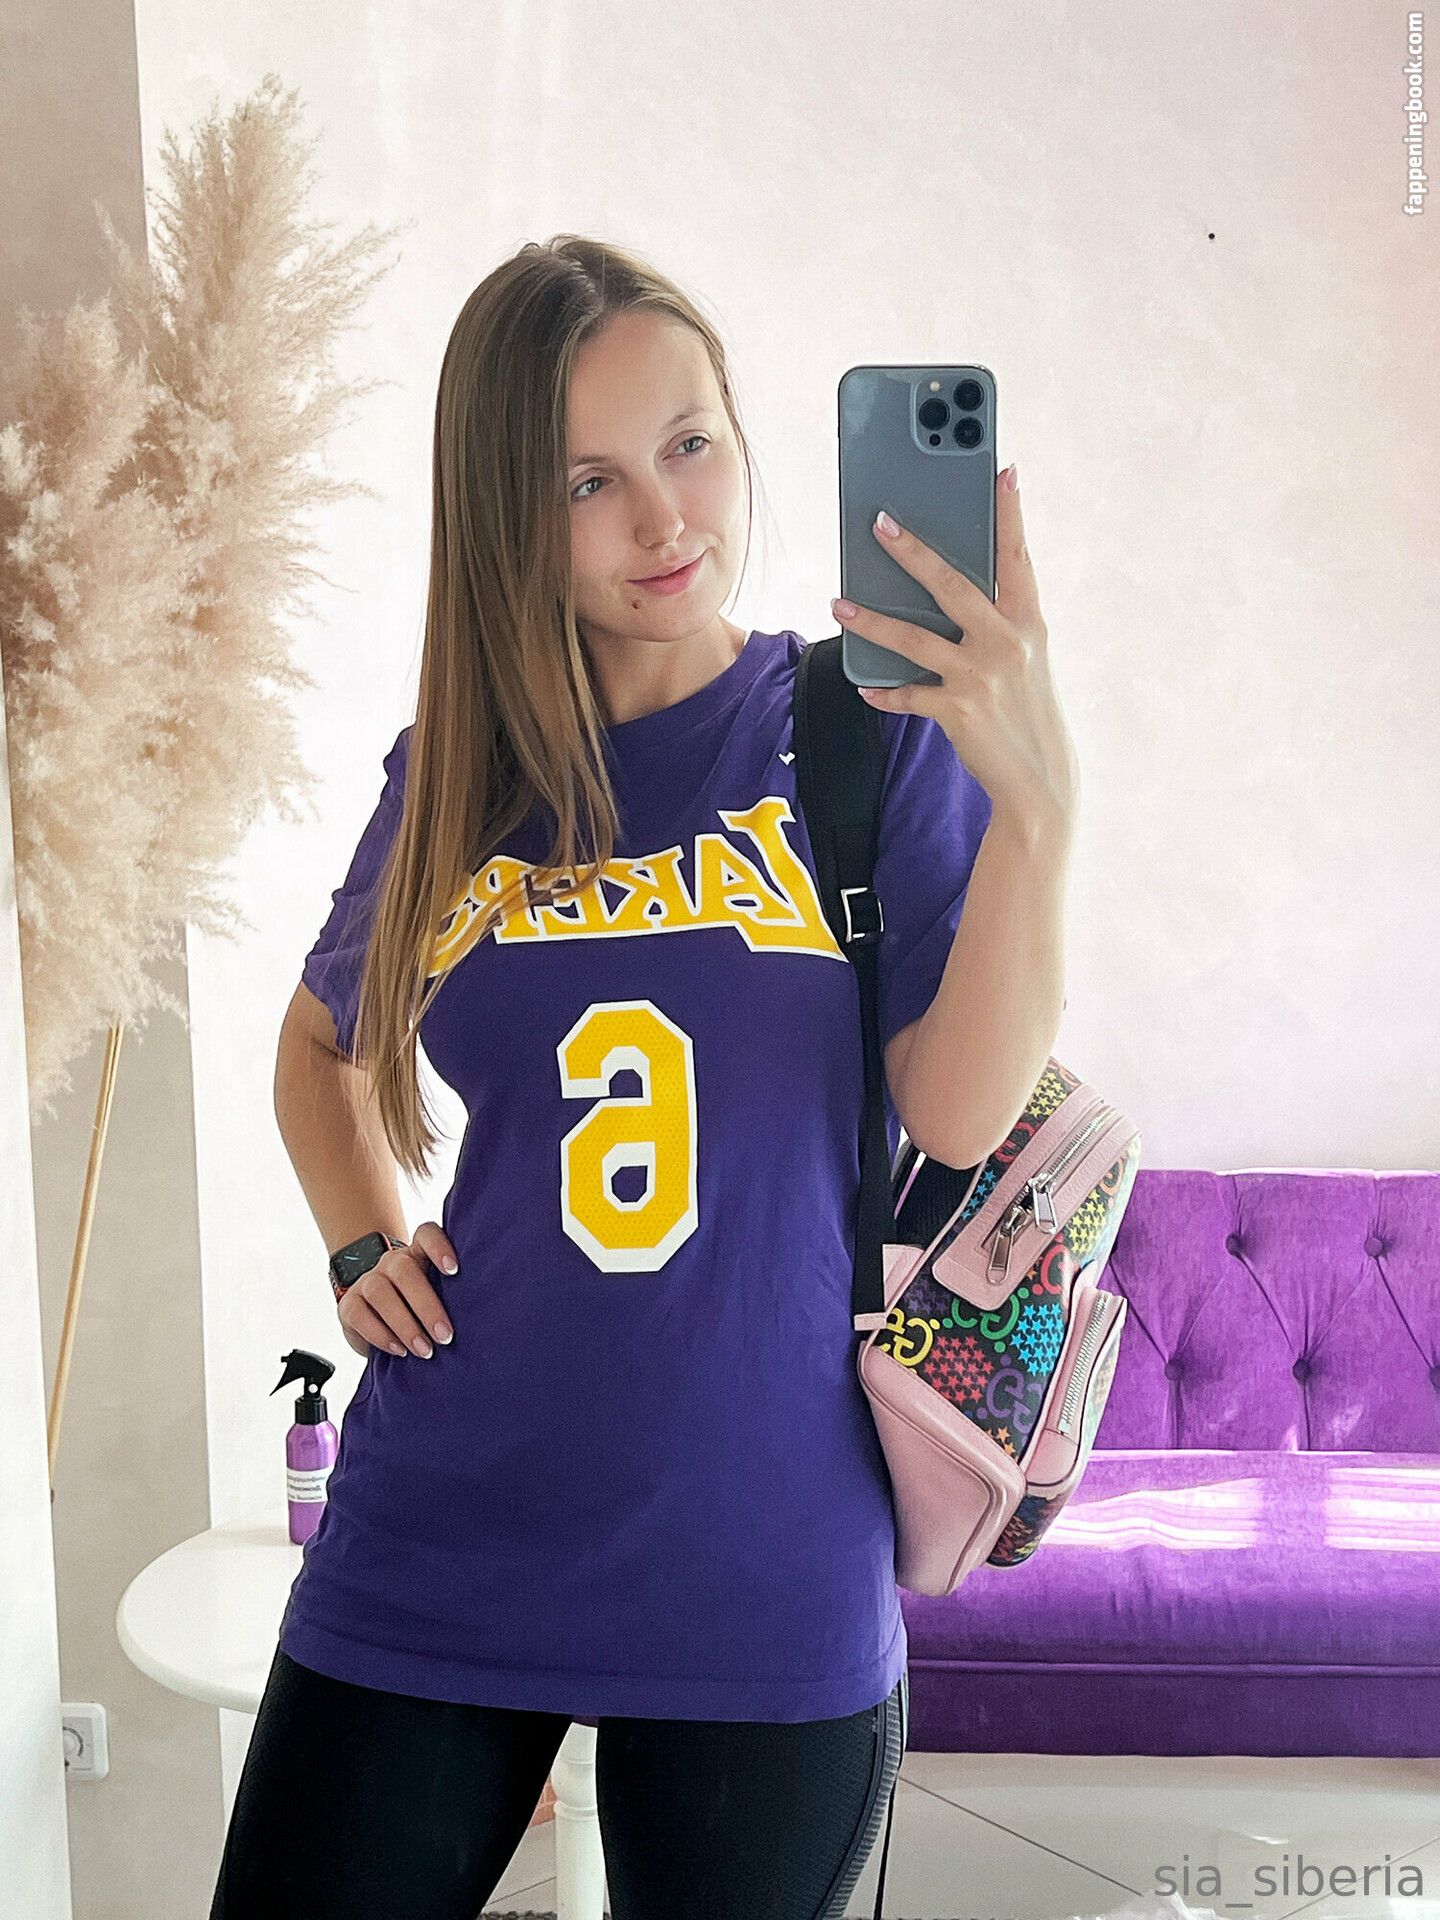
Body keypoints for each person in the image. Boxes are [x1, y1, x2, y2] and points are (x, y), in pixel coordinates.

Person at [210, 234, 1078, 1919]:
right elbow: (321, 1046)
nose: (663, 518)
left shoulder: (858, 733)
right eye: (586, 481)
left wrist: (1038, 808)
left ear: (742, 435)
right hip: (444, 1523)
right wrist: (359, 1240)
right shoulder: (457, 775)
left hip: (763, 1554)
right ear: (507, 519)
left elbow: (960, 1115)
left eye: (689, 444)